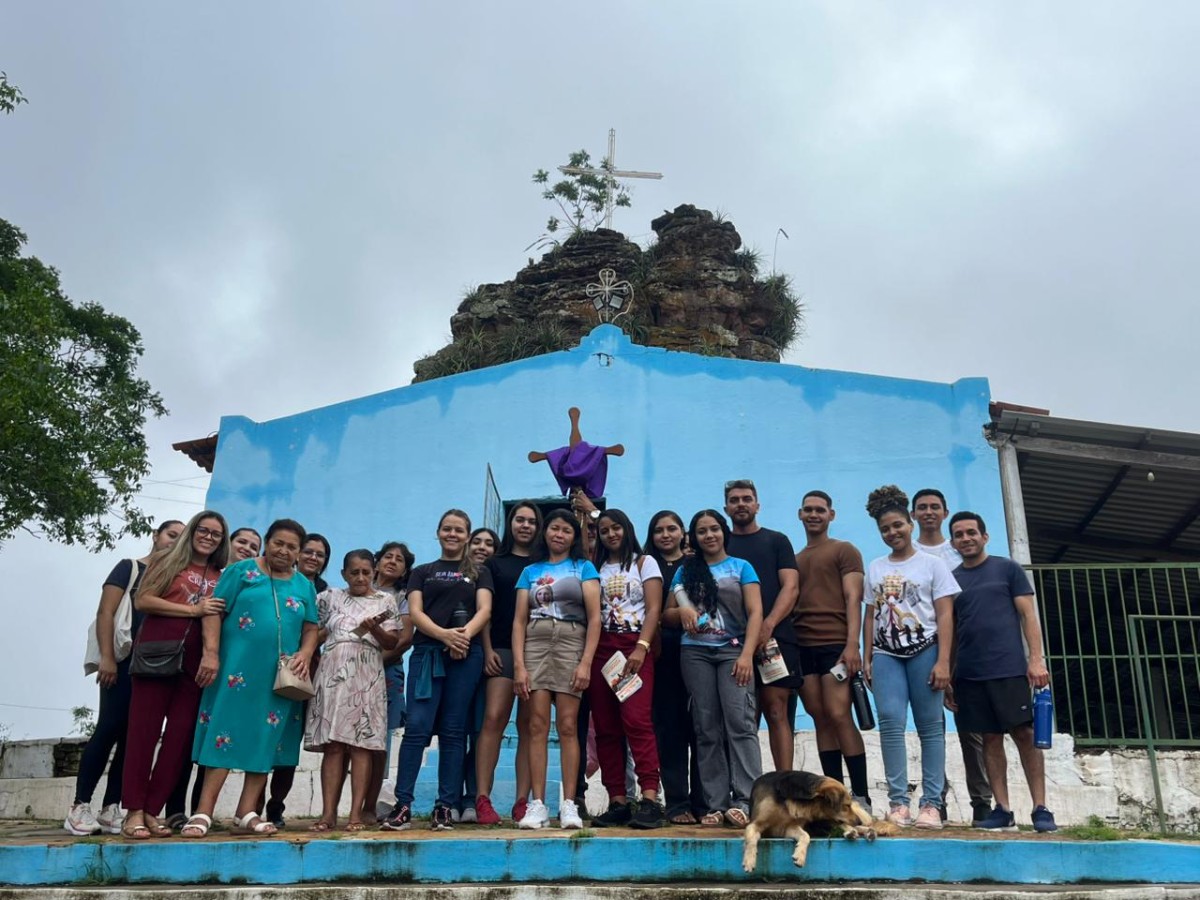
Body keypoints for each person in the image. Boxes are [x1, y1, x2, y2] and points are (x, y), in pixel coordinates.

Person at [182, 518, 320, 838]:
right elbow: (214, 610)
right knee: (224, 732)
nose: (283, 551)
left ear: (299, 553)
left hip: (281, 677)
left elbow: (311, 626)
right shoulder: (240, 572)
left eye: (291, 547)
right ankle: (203, 812)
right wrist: (211, 653)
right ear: (268, 542)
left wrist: (306, 653)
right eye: (278, 543)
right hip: (237, 671)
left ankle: (247, 812)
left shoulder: (304, 585)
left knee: (266, 739)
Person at [66, 520, 184, 836]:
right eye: (172, 534)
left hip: (155, 666)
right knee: (108, 728)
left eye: (180, 538)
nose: (175, 542)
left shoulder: (175, 579)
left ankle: (110, 807)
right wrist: (107, 657)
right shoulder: (129, 568)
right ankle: (80, 805)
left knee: (136, 737)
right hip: (122, 661)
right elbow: (105, 612)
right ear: (156, 536)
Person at [381, 510, 493, 832]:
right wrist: (445, 635)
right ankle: (403, 805)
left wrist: (462, 637)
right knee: (416, 728)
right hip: (428, 654)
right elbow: (415, 612)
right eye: (447, 529)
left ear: (467, 535)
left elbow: (484, 609)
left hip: (464, 656)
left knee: (453, 731)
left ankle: (445, 806)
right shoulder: (422, 572)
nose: (452, 534)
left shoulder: (479, 572)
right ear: (438, 533)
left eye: (459, 530)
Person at [120, 511, 229, 839]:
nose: (208, 537)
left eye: (216, 534)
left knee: (180, 739)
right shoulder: (169, 562)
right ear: (192, 532)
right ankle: (133, 811)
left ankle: (153, 810)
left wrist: (211, 653)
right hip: (158, 650)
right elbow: (144, 600)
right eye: (203, 530)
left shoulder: (221, 575)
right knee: (144, 733)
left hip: (196, 661)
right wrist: (192, 610)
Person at [947, 512, 1058, 833]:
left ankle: (1041, 808)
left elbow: (1028, 616)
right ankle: (1003, 809)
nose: (965, 538)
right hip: (969, 674)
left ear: (984, 536)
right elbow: (951, 631)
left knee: (1024, 735)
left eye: (971, 532)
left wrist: (1036, 660)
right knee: (990, 739)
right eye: (958, 534)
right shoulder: (951, 580)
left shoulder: (1008, 569)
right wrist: (949, 675)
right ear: (953, 542)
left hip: (1009, 669)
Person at [863, 485, 958, 830]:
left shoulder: (933, 564)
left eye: (898, 525)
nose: (893, 533)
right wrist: (867, 656)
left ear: (911, 523)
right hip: (886, 654)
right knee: (890, 722)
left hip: (925, 650)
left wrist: (944, 660)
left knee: (930, 725)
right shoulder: (875, 567)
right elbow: (870, 614)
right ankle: (898, 802)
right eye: (885, 529)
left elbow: (945, 614)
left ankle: (932, 803)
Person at [667, 509, 763, 827]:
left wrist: (748, 655)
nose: (709, 536)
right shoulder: (685, 573)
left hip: (733, 653)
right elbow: (667, 615)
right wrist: (681, 614)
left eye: (714, 529)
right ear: (693, 537)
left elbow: (755, 612)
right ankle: (715, 804)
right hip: (695, 654)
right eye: (702, 531)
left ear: (724, 532)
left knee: (740, 724)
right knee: (705, 728)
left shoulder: (741, 568)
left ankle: (747, 800)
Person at [164, 526, 260, 830]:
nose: (246, 548)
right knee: (188, 737)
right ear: (228, 544)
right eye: (241, 541)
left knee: (208, 739)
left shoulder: (254, 580)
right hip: (200, 660)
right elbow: (212, 614)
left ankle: (199, 810)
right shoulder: (214, 575)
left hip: (226, 669)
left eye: (253, 546)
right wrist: (212, 652)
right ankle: (175, 810)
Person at [511, 509, 601, 830]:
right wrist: (519, 666)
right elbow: (519, 620)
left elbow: (594, 618)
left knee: (567, 726)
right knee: (536, 725)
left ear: (574, 537)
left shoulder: (584, 567)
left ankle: (569, 803)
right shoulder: (529, 571)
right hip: (534, 644)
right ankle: (537, 804)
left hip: (570, 642)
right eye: (554, 529)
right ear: (545, 533)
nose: (559, 534)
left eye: (566, 530)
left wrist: (586, 662)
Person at [912, 488, 992, 825]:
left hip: (965, 649)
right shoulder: (907, 551)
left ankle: (982, 801)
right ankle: (935, 799)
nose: (928, 512)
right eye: (922, 508)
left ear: (944, 513)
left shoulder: (958, 550)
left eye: (934, 507)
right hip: (921, 650)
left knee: (971, 728)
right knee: (931, 728)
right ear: (913, 515)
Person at [305, 549, 400, 831]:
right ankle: (327, 814)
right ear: (344, 573)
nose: (360, 577)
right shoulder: (329, 597)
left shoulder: (386, 600)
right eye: (354, 572)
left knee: (361, 746)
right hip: (332, 675)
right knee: (333, 746)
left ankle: (356, 814)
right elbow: (312, 629)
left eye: (366, 572)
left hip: (367, 675)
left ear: (374, 573)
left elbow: (392, 643)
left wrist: (375, 629)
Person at [793, 491, 873, 812]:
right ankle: (834, 799)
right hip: (802, 647)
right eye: (809, 510)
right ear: (800, 514)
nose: (814, 514)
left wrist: (852, 645)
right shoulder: (795, 559)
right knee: (821, 718)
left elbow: (854, 598)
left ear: (831, 514)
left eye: (820, 510)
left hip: (836, 645)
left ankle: (862, 797)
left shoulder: (845, 550)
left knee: (840, 715)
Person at [586, 508, 665, 829]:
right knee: (605, 727)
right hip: (601, 648)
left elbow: (654, 608)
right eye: (603, 530)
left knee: (637, 721)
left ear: (626, 528)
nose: (610, 534)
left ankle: (648, 797)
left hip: (634, 647)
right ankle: (617, 799)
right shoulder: (595, 567)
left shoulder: (644, 563)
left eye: (615, 528)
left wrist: (642, 648)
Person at [723, 480, 802, 771]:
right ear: (726, 508)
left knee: (777, 710)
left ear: (757, 505)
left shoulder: (777, 541)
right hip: (730, 644)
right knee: (743, 716)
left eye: (746, 499)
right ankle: (747, 791)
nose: (741, 504)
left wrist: (767, 624)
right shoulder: (721, 543)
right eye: (734, 500)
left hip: (775, 639)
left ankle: (785, 786)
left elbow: (790, 588)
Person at [475, 507, 539, 826]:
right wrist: (487, 650)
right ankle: (482, 798)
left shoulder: (544, 564)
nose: (525, 526)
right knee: (493, 719)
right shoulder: (494, 564)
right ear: (510, 524)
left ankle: (522, 801)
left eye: (531, 521)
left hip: (537, 653)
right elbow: (485, 610)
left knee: (529, 727)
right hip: (500, 649)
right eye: (519, 520)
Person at [645, 510, 705, 825]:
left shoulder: (698, 563)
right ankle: (677, 803)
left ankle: (704, 802)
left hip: (700, 651)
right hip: (661, 655)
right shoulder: (645, 565)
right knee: (668, 730)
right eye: (659, 530)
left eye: (672, 528)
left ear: (683, 532)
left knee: (701, 727)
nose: (665, 535)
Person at [363, 541, 415, 822]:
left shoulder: (404, 597)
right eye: (388, 557)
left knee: (380, 738)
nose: (392, 562)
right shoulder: (358, 588)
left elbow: (405, 639)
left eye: (399, 559)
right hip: (351, 673)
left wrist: (373, 662)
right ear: (378, 560)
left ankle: (374, 803)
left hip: (386, 671)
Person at [456, 526, 500, 822]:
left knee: (480, 729)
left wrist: (486, 651)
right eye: (477, 542)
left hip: (490, 660)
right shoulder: (450, 576)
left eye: (489, 543)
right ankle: (451, 797)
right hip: (455, 657)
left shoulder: (494, 577)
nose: (483, 547)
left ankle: (473, 797)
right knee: (454, 731)